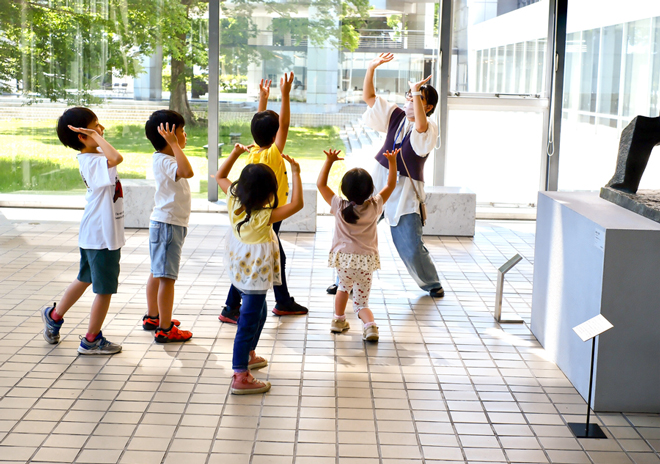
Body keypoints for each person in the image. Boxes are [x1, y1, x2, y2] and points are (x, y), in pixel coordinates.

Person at [328, 52, 444, 298]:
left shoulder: (429, 128)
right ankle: (342, 281)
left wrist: (415, 90)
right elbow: (369, 97)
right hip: (379, 180)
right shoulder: (396, 115)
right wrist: (371, 68)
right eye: (409, 97)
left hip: (404, 192)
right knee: (353, 227)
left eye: (415, 99)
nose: (409, 101)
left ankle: (431, 283)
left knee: (410, 247)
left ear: (428, 107)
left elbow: (420, 128)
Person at [213, 143, 304, 394]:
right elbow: (296, 204)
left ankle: (249, 355)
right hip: (253, 278)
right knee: (248, 321)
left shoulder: (234, 200)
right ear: (269, 193)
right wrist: (295, 173)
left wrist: (234, 154)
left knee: (260, 314)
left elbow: (220, 176)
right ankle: (240, 373)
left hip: (242, 272)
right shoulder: (264, 215)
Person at [219, 72, 308, 324]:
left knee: (271, 252)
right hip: (270, 213)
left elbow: (261, 126)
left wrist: (263, 100)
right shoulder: (272, 154)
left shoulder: (252, 152)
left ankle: (280, 301)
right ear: (275, 134)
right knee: (266, 253)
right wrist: (286, 95)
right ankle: (236, 306)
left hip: (257, 212)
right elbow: (285, 125)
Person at [41, 107, 124, 355]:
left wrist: (95, 135)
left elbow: (111, 156)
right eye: (96, 126)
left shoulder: (94, 156)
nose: (102, 129)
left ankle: (54, 316)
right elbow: (117, 157)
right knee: (104, 289)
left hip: (96, 232)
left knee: (85, 278)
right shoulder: (94, 160)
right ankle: (91, 340)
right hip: (101, 236)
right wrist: (95, 135)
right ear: (82, 135)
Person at [317, 148, 399, 342]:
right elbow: (391, 184)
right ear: (370, 190)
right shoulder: (375, 205)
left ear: (344, 190)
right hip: (366, 262)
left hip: (344, 260)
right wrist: (393, 162)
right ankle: (370, 326)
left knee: (343, 287)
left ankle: (338, 320)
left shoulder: (339, 205)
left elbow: (321, 184)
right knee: (361, 302)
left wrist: (329, 161)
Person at [142, 110, 194, 343]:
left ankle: (154, 316)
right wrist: (175, 145)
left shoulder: (164, 158)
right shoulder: (165, 159)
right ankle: (164, 328)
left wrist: (174, 146)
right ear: (169, 135)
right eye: (182, 131)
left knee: (158, 271)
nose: (185, 135)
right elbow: (187, 172)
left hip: (168, 223)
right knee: (166, 277)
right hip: (168, 225)